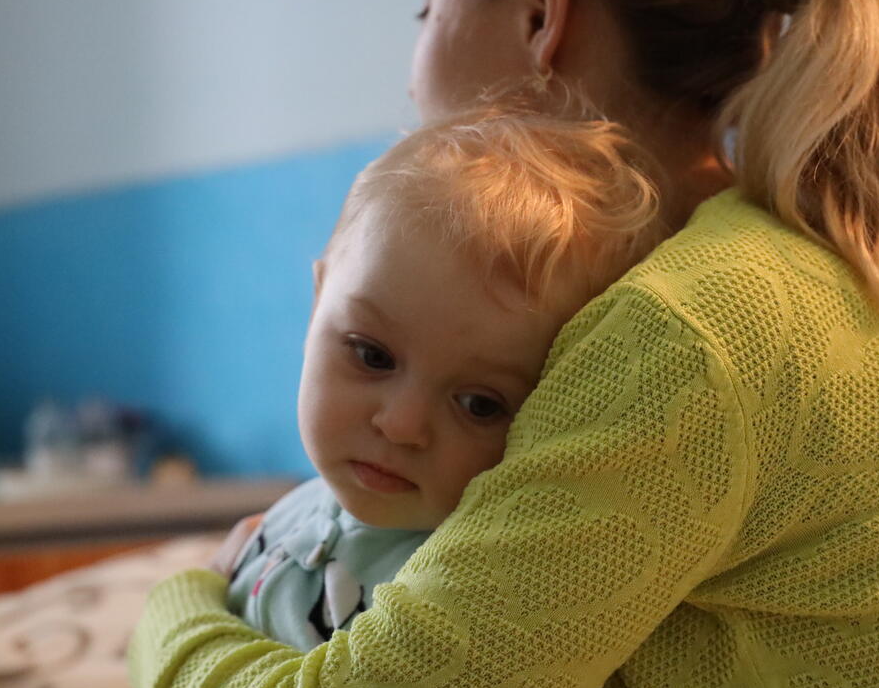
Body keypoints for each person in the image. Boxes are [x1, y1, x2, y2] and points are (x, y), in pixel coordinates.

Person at [129, 0, 879, 688]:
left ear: (541, 8)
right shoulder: (762, 261)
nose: (414, 80)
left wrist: (177, 603)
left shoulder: (690, 328)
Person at [221, 106, 670, 652]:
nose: (401, 424)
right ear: (318, 302)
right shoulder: (287, 515)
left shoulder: (458, 598)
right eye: (372, 355)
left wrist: (184, 606)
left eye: (480, 404)